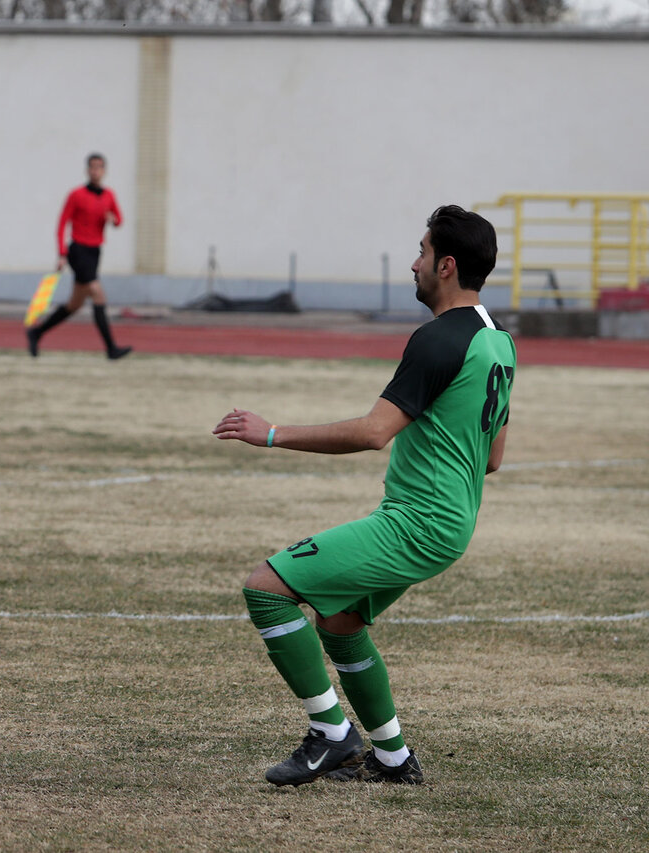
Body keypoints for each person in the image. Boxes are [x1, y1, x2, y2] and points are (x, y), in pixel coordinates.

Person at [213, 205, 514, 787]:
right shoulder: (498, 340)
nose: (414, 263)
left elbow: (375, 432)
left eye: (422, 253)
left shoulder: (437, 340)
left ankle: (331, 734)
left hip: (418, 522)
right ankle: (394, 759)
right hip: (451, 522)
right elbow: (493, 458)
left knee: (267, 590)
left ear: (446, 266)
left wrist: (272, 434)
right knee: (341, 620)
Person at [27, 152, 132, 360]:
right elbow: (62, 223)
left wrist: (113, 220)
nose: (96, 171)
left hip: (95, 252)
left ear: (104, 171)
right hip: (78, 250)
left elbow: (119, 220)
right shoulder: (76, 195)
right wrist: (62, 254)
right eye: (92, 167)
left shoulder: (109, 195)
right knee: (96, 291)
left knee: (74, 304)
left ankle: (36, 332)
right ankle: (111, 349)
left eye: (99, 167)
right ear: (87, 170)